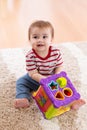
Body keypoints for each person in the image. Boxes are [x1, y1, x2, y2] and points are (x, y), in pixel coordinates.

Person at [14, 20, 85, 109]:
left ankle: (73, 101)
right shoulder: (30, 56)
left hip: (52, 78)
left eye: (44, 37)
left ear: (51, 40)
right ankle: (23, 98)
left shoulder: (55, 52)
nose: (40, 40)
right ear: (29, 40)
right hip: (36, 79)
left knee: (65, 84)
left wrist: (56, 75)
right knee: (21, 82)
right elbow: (33, 73)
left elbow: (59, 66)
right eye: (35, 37)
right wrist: (43, 79)